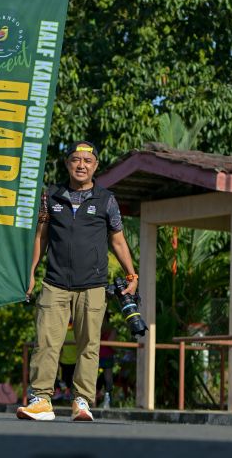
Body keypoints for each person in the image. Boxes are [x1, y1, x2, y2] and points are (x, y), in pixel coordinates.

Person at [16, 141, 138, 422]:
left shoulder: (106, 200)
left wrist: (131, 274)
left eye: (87, 161)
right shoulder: (51, 196)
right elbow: (41, 236)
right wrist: (30, 272)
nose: (81, 165)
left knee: (89, 345)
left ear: (95, 166)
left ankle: (82, 402)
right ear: (67, 163)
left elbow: (118, 241)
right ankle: (40, 400)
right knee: (46, 342)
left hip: (93, 285)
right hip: (55, 282)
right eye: (75, 159)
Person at [96, 312, 117, 408]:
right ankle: (108, 399)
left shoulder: (95, 327)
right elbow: (111, 343)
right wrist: (117, 350)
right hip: (107, 355)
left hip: (96, 355)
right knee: (108, 379)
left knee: (92, 378)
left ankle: (92, 401)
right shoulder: (111, 329)